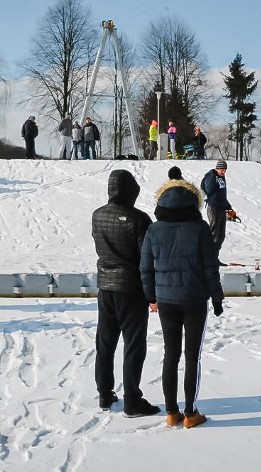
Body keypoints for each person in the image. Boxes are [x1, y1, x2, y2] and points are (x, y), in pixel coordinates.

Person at [141, 178, 224, 429]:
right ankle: (190, 412)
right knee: (192, 357)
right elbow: (211, 267)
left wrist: (151, 297)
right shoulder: (199, 228)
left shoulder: (154, 229)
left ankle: (171, 412)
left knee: (171, 354)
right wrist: (217, 298)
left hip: (166, 300)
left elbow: (145, 268)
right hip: (194, 298)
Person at [91, 169, 159, 417]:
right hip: (131, 289)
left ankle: (104, 395)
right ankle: (132, 400)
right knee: (133, 345)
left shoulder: (97, 215)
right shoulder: (140, 219)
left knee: (105, 344)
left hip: (105, 286)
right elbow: (147, 260)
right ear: (132, 191)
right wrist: (152, 295)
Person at [200, 160, 233, 263]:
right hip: (213, 208)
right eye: (222, 170)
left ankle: (214, 258)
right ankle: (207, 258)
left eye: (225, 170)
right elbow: (208, 190)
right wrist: (214, 177)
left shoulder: (222, 177)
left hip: (222, 208)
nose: (224, 172)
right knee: (213, 233)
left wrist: (229, 207)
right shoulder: (211, 176)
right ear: (217, 168)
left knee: (221, 236)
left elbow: (221, 194)